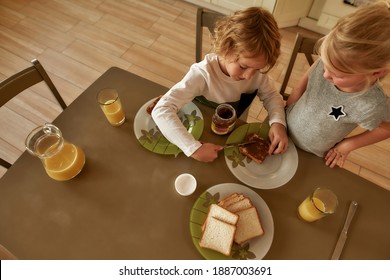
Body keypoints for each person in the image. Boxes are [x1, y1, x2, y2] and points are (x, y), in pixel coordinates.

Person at [152, 7, 288, 162]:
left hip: (231, 132)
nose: (249, 75)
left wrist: (278, 123)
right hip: (198, 132)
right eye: (243, 66)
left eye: (258, 69)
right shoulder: (202, 73)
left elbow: (272, 96)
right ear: (226, 49)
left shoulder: (258, 76)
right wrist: (193, 148)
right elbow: (161, 110)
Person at [286, 1, 390, 168]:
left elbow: (387, 128)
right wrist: (294, 96)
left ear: (376, 72)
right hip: (286, 125)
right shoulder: (333, 58)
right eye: (325, 65)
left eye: (337, 74)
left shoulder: (372, 104)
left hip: (312, 154)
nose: (326, 74)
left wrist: (348, 145)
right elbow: (309, 74)